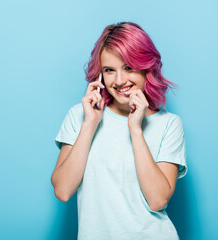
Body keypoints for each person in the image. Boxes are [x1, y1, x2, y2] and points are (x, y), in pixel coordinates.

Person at [51, 21, 188, 240]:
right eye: (109, 70)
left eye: (129, 67)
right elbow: (63, 191)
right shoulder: (80, 116)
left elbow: (158, 200)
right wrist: (90, 124)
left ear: (146, 68)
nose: (120, 80)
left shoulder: (169, 124)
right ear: (100, 76)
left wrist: (135, 128)